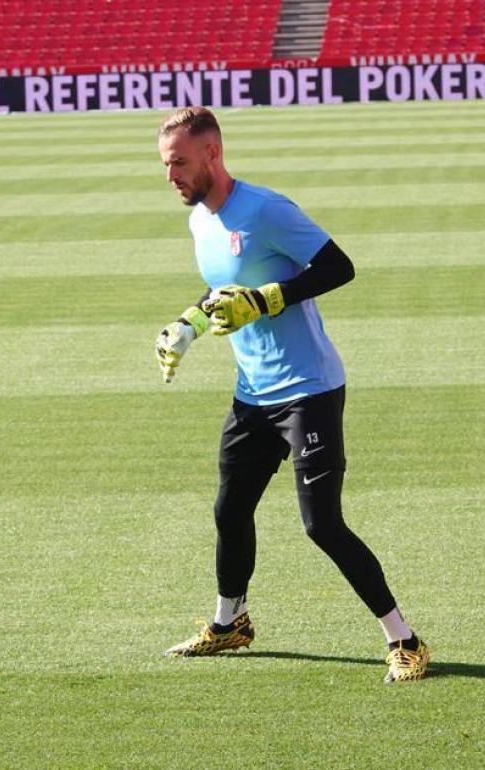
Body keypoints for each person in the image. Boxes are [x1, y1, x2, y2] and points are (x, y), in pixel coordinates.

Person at [153, 106, 428, 683]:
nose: (170, 174)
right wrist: (189, 325)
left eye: (179, 162)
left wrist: (269, 299)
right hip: (252, 393)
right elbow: (223, 288)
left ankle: (405, 639)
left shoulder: (265, 209)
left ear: (212, 154)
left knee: (321, 526)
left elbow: (339, 266)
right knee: (230, 509)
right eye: (165, 164)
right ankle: (231, 624)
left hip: (309, 391)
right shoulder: (200, 221)